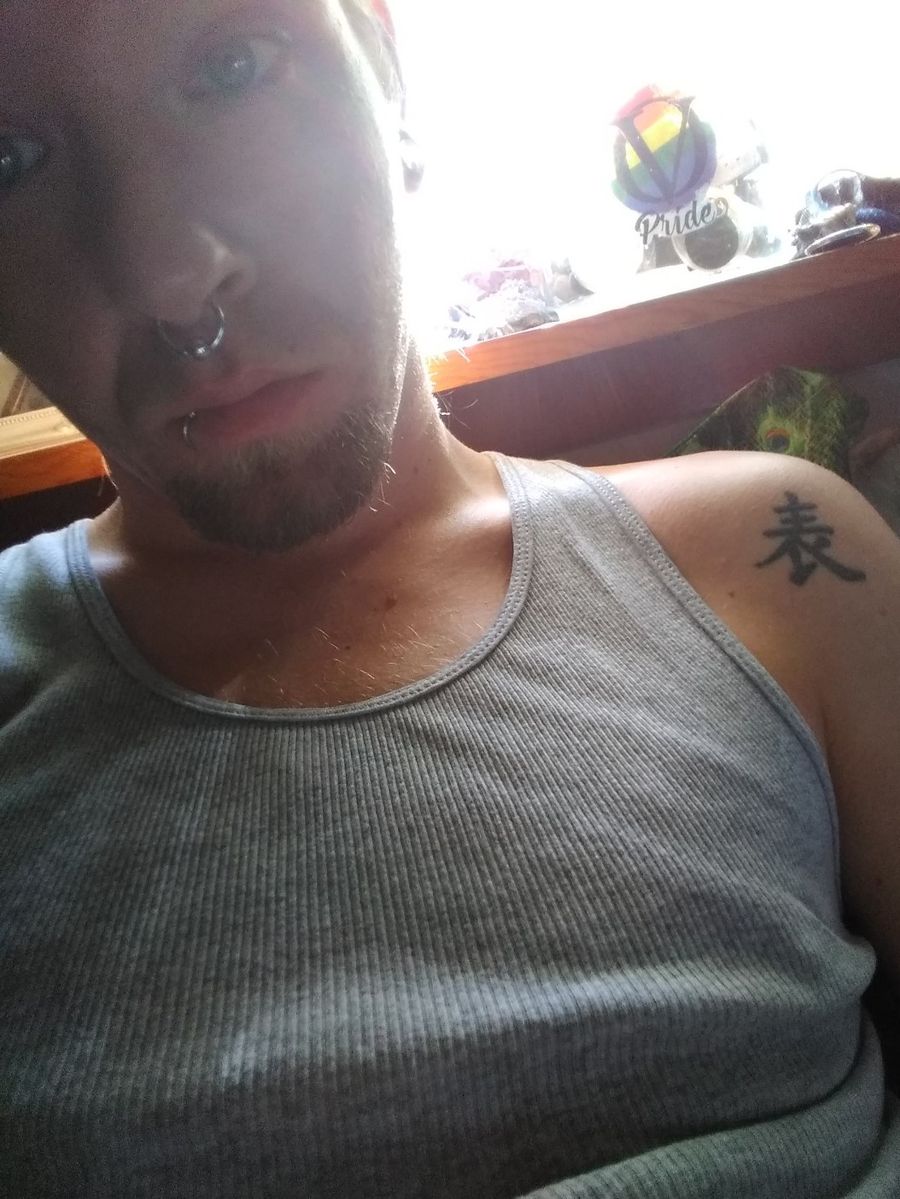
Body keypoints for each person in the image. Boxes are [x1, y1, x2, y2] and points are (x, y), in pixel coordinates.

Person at [1, 2, 899, 1195]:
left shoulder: (777, 555)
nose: (174, 281)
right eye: (9, 157)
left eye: (231, 67)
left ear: (387, 68)